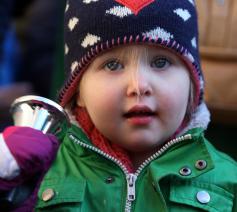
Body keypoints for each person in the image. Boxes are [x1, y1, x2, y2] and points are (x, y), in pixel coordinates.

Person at [0, 0, 237, 211]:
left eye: (161, 62)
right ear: (77, 91)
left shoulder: (227, 183)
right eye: (112, 65)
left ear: (192, 87)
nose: (139, 85)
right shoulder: (39, 174)